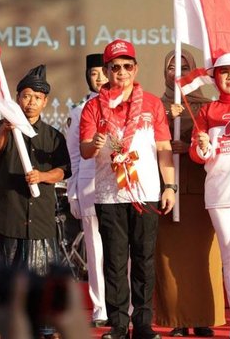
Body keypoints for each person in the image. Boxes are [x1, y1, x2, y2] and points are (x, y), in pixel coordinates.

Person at [80, 39, 175, 339]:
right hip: (109, 194)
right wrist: (93, 145)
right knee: (115, 261)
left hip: (145, 192)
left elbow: (163, 146)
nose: (122, 72)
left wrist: (169, 185)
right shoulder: (94, 106)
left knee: (145, 259)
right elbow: (85, 150)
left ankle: (144, 323)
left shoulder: (152, 104)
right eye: (115, 67)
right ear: (106, 70)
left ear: (135, 68)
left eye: (127, 66)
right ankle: (119, 324)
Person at [0, 64, 71, 339]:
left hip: (40, 218)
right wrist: (7, 130)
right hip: (9, 215)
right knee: (6, 279)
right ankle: (2, 329)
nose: (31, 102)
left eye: (37, 97)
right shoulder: (4, 127)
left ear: (45, 102)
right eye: (26, 96)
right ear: (18, 98)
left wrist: (43, 176)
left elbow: (64, 170)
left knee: (42, 278)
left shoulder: (53, 136)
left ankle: (45, 328)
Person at [155, 50, 224, 337]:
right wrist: (167, 131)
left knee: (203, 258)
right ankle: (177, 320)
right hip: (168, 192)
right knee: (170, 259)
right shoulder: (156, 106)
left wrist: (192, 146)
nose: (178, 72)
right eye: (173, 67)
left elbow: (218, 149)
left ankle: (203, 318)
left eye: (185, 66)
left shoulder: (209, 106)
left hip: (200, 192)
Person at [190, 52, 230, 339]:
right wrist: (204, 144)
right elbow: (198, 156)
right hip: (221, 191)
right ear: (215, 77)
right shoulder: (208, 111)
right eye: (225, 72)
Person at [66, 53, 108, 327]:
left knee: (122, 251)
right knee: (95, 250)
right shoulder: (79, 111)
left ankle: (125, 306)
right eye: (94, 74)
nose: (100, 78)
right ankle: (100, 308)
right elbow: (73, 156)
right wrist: (73, 191)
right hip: (89, 186)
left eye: (103, 72)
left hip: (121, 186)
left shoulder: (125, 106)